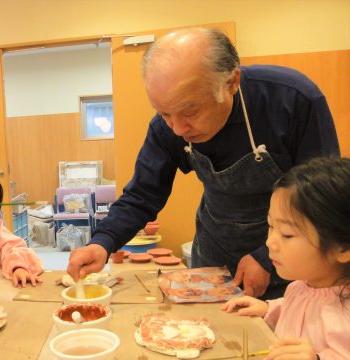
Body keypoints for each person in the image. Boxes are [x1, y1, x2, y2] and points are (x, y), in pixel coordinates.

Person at [67, 27, 340, 299]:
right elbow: (141, 195)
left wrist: (265, 258)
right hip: (214, 255)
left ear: (231, 83)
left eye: (189, 111)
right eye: (164, 114)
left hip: (291, 263)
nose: (177, 128)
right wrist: (102, 242)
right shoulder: (169, 127)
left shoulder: (292, 100)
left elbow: (322, 199)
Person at [222, 157, 350, 359]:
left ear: (342, 248)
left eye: (287, 234)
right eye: (271, 227)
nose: (269, 243)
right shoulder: (299, 288)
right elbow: (296, 309)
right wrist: (267, 309)